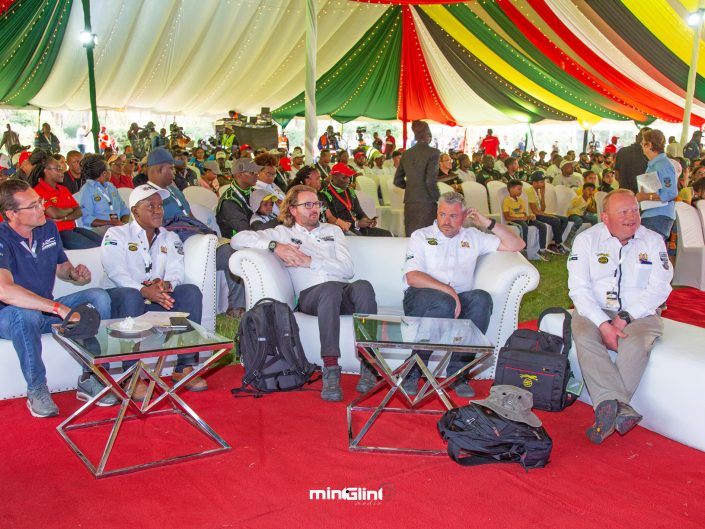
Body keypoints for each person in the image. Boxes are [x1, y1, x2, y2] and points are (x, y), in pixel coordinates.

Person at [231, 185, 378, 401]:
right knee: (329, 291)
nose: (314, 209)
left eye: (317, 204)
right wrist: (274, 246)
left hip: (341, 289)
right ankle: (330, 369)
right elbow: (238, 239)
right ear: (292, 209)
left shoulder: (333, 231)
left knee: (364, 286)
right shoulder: (282, 233)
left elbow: (347, 269)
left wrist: (310, 261)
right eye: (307, 205)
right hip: (311, 296)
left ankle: (368, 363)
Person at [0, 179, 114, 418]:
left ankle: (91, 377)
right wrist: (58, 308)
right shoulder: (3, 238)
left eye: (40, 201)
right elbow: (5, 291)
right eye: (33, 205)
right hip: (9, 316)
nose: (42, 207)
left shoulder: (47, 228)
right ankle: (37, 388)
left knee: (98, 297)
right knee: (25, 313)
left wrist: (74, 273)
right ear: (12, 214)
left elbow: (60, 265)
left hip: (46, 311)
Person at [567, 189, 672, 444]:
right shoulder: (586, 240)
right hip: (596, 308)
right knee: (583, 333)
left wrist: (625, 317)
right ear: (605, 217)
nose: (631, 217)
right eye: (623, 212)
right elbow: (578, 289)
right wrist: (603, 324)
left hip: (641, 311)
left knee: (636, 344)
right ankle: (620, 408)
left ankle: (606, 407)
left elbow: (660, 287)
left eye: (635, 210)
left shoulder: (653, 240)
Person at [401, 192, 524, 397]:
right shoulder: (421, 236)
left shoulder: (474, 237)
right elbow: (413, 276)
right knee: (443, 302)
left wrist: (488, 223)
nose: (446, 221)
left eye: (453, 216)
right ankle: (414, 369)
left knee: (481, 299)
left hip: (458, 299)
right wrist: (447, 289)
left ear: (465, 215)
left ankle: (458, 372)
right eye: (442, 214)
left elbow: (517, 245)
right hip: (421, 297)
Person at [101, 184, 207, 396]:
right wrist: (143, 290)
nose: (158, 210)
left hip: (157, 296)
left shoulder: (169, 237)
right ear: (134, 211)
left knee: (190, 292)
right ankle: (130, 374)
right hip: (122, 297)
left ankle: (184, 366)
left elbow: (176, 269)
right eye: (151, 206)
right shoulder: (116, 234)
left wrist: (166, 285)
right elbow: (116, 272)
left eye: (160, 205)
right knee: (131, 296)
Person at [32, 157, 103, 249]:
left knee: (103, 244)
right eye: (57, 169)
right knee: (93, 248)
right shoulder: (38, 191)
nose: (62, 172)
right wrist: (71, 209)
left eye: (61, 168)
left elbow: (79, 211)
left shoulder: (63, 189)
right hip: (56, 233)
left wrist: (65, 217)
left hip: (72, 229)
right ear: (46, 171)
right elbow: (54, 214)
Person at [394, 120, 441, 236]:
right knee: (429, 239)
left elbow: (397, 181)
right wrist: (438, 198)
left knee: (412, 237)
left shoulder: (406, 154)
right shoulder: (433, 153)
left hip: (410, 202)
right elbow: (430, 181)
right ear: (428, 136)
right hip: (427, 203)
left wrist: (411, 187)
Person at [319, 163, 390, 236]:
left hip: (357, 227)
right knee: (361, 238)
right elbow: (331, 219)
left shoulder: (350, 191)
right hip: (342, 230)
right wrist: (356, 223)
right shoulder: (324, 194)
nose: (348, 181)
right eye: (344, 178)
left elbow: (359, 211)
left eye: (349, 177)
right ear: (334, 177)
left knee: (387, 234)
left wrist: (367, 220)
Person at [635, 129, 677, 240]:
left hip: (659, 215)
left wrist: (645, 196)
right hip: (651, 213)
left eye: (643, 142)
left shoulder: (663, 165)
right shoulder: (655, 164)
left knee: (648, 251)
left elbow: (671, 192)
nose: (641, 145)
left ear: (648, 145)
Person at [78, 154, 130, 235]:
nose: (111, 172)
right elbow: (87, 219)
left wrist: (124, 223)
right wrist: (111, 223)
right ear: (104, 173)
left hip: (116, 228)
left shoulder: (111, 187)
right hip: (97, 231)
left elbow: (124, 210)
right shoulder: (87, 190)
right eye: (109, 170)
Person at [503, 179, 549, 261]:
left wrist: (530, 216)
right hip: (514, 220)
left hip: (523, 219)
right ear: (511, 189)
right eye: (519, 189)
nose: (521, 191)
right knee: (524, 226)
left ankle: (542, 249)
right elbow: (507, 217)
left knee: (542, 225)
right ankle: (524, 250)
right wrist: (520, 218)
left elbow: (524, 214)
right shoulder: (506, 201)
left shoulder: (521, 200)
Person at [526, 171, 569, 254]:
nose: (544, 184)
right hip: (534, 216)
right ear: (534, 183)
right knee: (556, 220)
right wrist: (549, 215)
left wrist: (542, 194)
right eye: (541, 182)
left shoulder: (538, 191)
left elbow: (542, 209)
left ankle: (554, 242)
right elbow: (536, 212)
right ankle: (558, 244)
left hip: (539, 214)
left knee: (564, 219)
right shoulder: (530, 191)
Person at [614, 127, 650, 193]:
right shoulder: (648, 155)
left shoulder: (622, 151)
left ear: (636, 137)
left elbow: (616, 176)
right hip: (641, 195)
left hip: (623, 192)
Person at [564, 182, 598, 247]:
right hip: (572, 215)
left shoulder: (589, 199)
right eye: (589, 190)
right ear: (583, 191)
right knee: (579, 220)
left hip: (581, 215)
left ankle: (593, 238)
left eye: (592, 190)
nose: (590, 192)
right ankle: (568, 240)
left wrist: (598, 210)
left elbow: (587, 208)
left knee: (595, 219)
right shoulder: (578, 199)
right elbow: (568, 207)